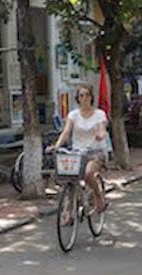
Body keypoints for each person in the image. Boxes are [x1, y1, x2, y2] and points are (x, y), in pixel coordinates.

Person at [47, 84, 109, 215]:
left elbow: (102, 129)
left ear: (91, 97)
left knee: (88, 173)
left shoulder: (99, 114)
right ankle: (69, 212)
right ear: (78, 98)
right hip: (77, 153)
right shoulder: (73, 115)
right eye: (81, 95)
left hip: (95, 152)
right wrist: (57, 146)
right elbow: (66, 132)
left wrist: (100, 135)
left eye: (87, 95)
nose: (84, 98)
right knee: (70, 179)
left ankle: (99, 197)